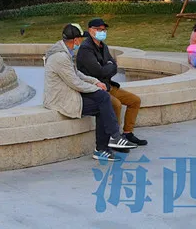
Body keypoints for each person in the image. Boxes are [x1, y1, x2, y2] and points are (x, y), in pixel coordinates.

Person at [43, 23, 136, 162]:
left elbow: (77, 74)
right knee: (103, 98)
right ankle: (114, 138)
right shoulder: (60, 57)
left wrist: (95, 82)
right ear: (75, 40)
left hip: (69, 94)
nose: (82, 41)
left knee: (103, 101)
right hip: (62, 100)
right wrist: (96, 88)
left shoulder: (64, 52)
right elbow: (75, 83)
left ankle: (104, 147)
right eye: (81, 38)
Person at [76, 18, 147, 146]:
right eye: (98, 29)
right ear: (90, 30)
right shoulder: (85, 49)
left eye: (103, 30)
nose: (102, 32)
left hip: (108, 85)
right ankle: (115, 138)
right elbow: (98, 71)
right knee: (116, 104)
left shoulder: (103, 46)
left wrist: (107, 67)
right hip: (96, 87)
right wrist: (108, 66)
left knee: (134, 101)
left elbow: (114, 66)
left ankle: (128, 133)